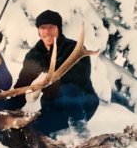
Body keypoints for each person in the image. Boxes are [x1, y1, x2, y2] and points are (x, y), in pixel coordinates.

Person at [9, 10, 99, 138]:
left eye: (51, 27)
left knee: (67, 88)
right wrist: (4, 106)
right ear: (38, 31)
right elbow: (22, 86)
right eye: (43, 27)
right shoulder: (34, 55)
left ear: (59, 29)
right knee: (31, 131)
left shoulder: (74, 49)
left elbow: (80, 80)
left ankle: (80, 132)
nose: (47, 31)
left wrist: (49, 78)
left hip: (83, 105)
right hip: (53, 108)